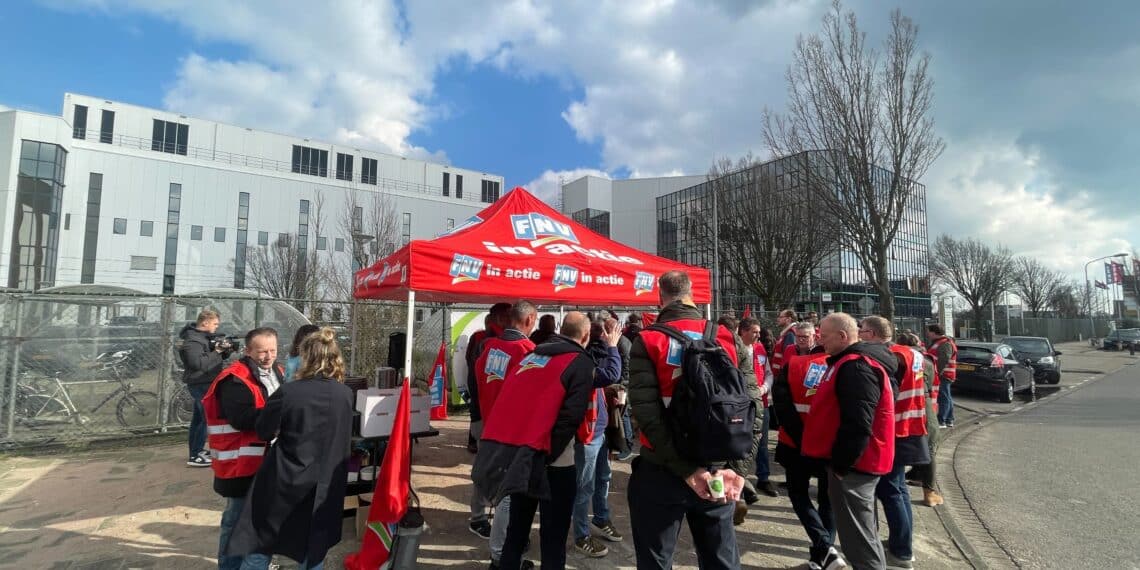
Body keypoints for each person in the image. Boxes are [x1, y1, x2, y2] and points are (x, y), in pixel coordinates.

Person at [627, 271, 749, 569]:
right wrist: (737, 467)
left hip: (662, 468)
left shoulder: (648, 340)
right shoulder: (726, 337)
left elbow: (646, 413)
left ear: (661, 297)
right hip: (718, 467)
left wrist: (686, 470)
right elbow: (750, 404)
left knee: (656, 559)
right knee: (721, 559)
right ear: (691, 293)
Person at [472, 311, 597, 570]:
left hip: (522, 453)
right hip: (553, 462)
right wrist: (545, 455)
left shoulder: (534, 354)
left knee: (517, 531)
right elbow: (571, 418)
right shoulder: (580, 362)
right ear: (585, 336)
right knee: (553, 539)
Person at [225, 327, 354, 570]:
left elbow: (264, 430)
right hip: (325, 481)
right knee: (314, 546)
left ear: (306, 357)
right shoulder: (345, 394)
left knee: (260, 542)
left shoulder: (289, 392)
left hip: (285, 478)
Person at [802, 313, 895, 570]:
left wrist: (842, 466)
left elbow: (859, 422)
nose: (820, 340)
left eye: (824, 335)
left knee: (860, 542)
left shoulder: (856, 367)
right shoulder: (850, 363)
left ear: (843, 336)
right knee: (862, 535)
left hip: (856, 467)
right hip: (857, 464)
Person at [202, 327, 285, 570]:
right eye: (262, 352)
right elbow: (241, 418)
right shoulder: (234, 378)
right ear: (248, 351)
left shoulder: (278, 371)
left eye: (273, 350)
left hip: (266, 458)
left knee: (259, 517)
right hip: (240, 462)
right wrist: (278, 417)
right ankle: (229, 565)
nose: (268, 356)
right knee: (236, 519)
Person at [771, 321, 844, 570]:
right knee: (827, 500)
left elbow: (781, 407)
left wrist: (802, 438)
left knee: (800, 495)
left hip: (795, 443)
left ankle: (823, 550)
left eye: (807, 336)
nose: (803, 340)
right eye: (799, 336)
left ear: (817, 337)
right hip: (829, 444)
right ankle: (824, 553)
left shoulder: (793, 366)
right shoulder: (840, 367)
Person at [861, 316, 930, 569]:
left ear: (873, 334)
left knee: (890, 491)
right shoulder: (912, 354)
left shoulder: (889, 357)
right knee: (899, 490)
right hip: (911, 428)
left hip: (893, 431)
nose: (859, 334)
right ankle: (903, 545)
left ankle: (901, 552)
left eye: (862, 330)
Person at [474, 301, 538, 568]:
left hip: (491, 427)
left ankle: (503, 548)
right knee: (509, 497)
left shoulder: (488, 348)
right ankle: (500, 555)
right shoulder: (528, 351)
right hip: (515, 435)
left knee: (501, 492)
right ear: (529, 319)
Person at [573, 318, 625, 557]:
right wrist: (613, 346)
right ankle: (581, 535)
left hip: (602, 429)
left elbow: (610, 379)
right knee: (585, 486)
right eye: (614, 330)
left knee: (603, 477)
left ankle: (601, 518)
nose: (618, 333)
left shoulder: (596, 354)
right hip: (589, 433)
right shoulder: (587, 355)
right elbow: (612, 373)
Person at [466, 302, 513, 536]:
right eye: (507, 315)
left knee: (494, 467)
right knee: (486, 468)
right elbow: (478, 380)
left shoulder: (497, 340)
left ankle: (486, 516)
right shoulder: (484, 341)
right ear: (498, 317)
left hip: (492, 415)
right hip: (486, 415)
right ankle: (478, 518)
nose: (511, 318)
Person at [179, 309, 235, 468]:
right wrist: (216, 351)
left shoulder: (204, 338)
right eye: (215, 323)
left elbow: (211, 358)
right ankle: (195, 455)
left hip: (207, 382)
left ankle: (197, 450)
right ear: (205, 322)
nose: (217, 327)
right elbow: (198, 364)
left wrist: (224, 351)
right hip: (200, 383)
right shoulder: (193, 341)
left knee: (199, 419)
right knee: (204, 419)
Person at [898, 333, 943, 507]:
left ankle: (906, 480)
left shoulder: (896, 358)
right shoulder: (926, 362)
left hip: (902, 405)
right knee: (929, 446)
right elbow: (931, 384)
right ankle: (929, 493)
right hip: (923, 405)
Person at [738, 317, 779, 499]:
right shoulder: (736, 349)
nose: (758, 335)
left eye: (758, 332)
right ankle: (741, 479)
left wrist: (764, 388)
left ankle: (763, 478)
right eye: (754, 331)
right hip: (743, 404)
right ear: (743, 331)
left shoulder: (760, 348)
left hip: (761, 402)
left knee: (762, 443)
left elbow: (769, 373)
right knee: (742, 443)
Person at [925, 324, 958, 428]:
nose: (927, 334)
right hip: (944, 374)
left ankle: (942, 420)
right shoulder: (941, 342)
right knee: (946, 397)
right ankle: (949, 419)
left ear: (934, 332)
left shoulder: (945, 343)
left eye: (929, 332)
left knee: (943, 397)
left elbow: (943, 359)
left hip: (944, 374)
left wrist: (936, 373)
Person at [770, 309, 799, 377]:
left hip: (783, 375)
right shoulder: (787, 333)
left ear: (788, 319)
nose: (778, 319)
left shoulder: (790, 334)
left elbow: (789, 358)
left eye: (780, 317)